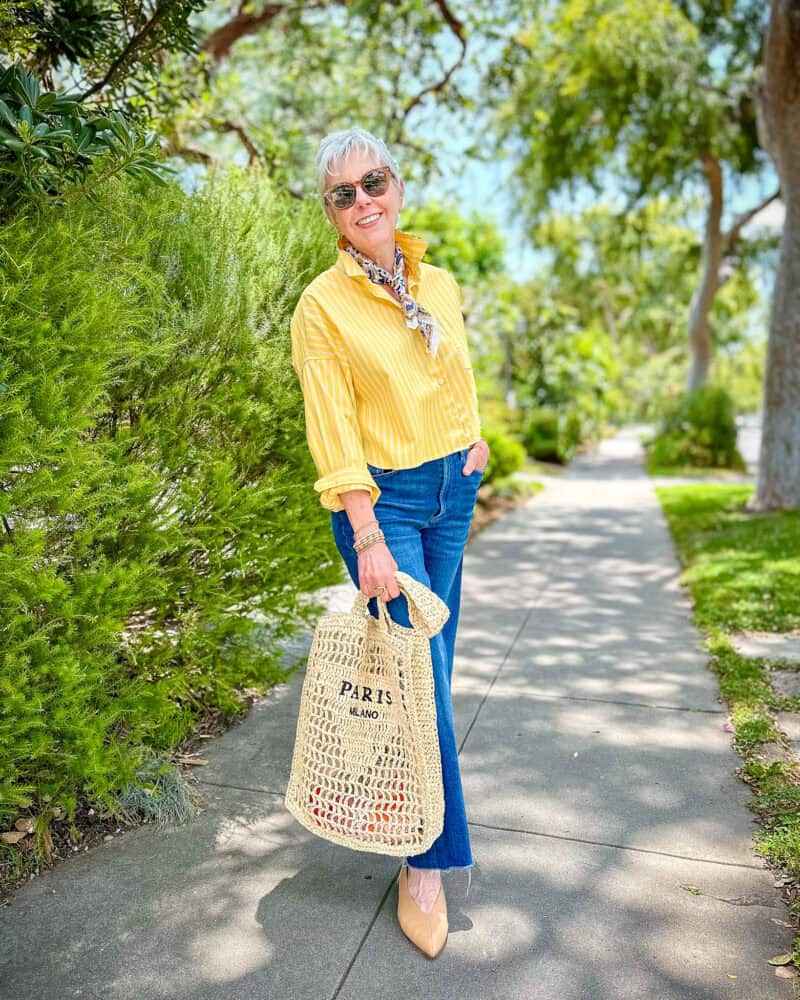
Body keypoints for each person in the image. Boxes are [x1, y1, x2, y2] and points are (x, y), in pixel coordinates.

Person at [290, 127, 489, 959]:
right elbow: (332, 430)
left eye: (373, 182)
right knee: (418, 679)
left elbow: (452, 374)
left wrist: (476, 439)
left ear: (397, 187)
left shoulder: (437, 282)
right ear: (332, 214)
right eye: (344, 193)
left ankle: (401, 800)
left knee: (431, 670)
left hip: (453, 489)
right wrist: (367, 534)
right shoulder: (321, 308)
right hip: (384, 506)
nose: (363, 200)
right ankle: (426, 863)